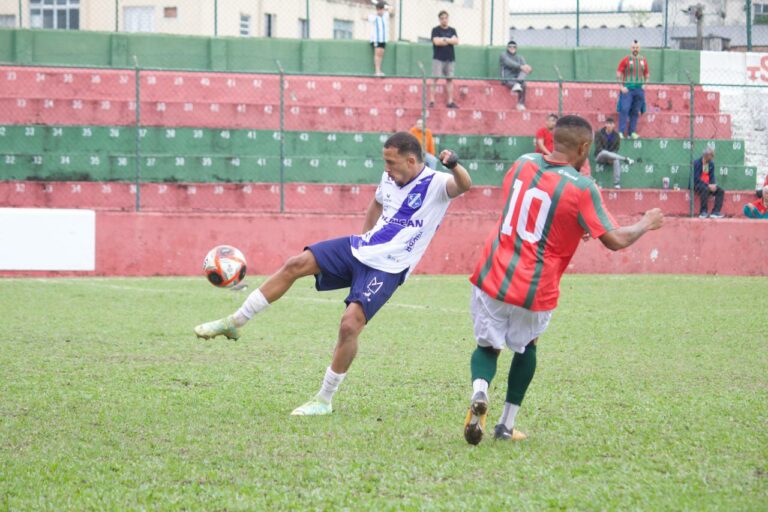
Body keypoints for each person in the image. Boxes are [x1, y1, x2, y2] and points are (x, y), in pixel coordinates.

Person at [194, 132, 472, 416]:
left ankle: (324, 400)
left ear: (411, 160)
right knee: (296, 264)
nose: (386, 168)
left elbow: (464, 184)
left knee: (350, 325)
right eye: (384, 161)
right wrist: (364, 237)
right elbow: (377, 203)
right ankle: (235, 321)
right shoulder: (389, 177)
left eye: (391, 162)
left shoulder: (436, 185)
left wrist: (454, 164)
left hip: (389, 267)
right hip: (360, 249)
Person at [462, 115, 664, 445]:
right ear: (584, 147)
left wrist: (574, 225)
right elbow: (614, 239)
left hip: (493, 273)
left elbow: (526, 207)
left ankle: (480, 391)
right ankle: (505, 425)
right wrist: (646, 222)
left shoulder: (522, 162)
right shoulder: (582, 186)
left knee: (487, 345)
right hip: (535, 285)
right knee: (527, 346)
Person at [616, 40, 649, 140]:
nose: (635, 49)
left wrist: (645, 85)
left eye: (637, 47)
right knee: (624, 109)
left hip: (639, 89)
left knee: (635, 111)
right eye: (633, 47)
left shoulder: (643, 60)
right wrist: (621, 87)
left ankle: (632, 133)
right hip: (628, 89)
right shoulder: (626, 59)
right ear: (631, 48)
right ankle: (621, 132)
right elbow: (618, 74)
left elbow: (647, 75)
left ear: (639, 48)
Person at [429, 11, 459, 109]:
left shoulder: (453, 30)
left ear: (448, 18)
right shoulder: (435, 30)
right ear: (439, 19)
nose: (444, 20)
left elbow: (456, 41)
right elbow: (436, 42)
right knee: (435, 78)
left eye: (446, 18)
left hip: (450, 58)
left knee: (449, 79)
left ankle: (450, 102)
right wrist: (449, 40)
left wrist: (444, 39)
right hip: (438, 58)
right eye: (442, 18)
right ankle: (432, 101)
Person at [594, 117, 634, 189]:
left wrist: (611, 157)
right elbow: (598, 148)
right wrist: (609, 155)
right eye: (608, 124)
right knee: (603, 152)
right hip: (600, 156)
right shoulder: (599, 133)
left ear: (614, 125)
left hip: (610, 158)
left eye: (611, 124)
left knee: (616, 160)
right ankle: (625, 159)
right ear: (605, 125)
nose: (609, 125)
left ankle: (616, 183)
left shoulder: (616, 136)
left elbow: (616, 149)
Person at [499, 40, 533, 111]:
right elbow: (509, 63)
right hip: (507, 79)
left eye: (514, 47)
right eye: (510, 47)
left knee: (523, 84)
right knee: (521, 82)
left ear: (516, 48)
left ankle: (520, 104)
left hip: (517, 79)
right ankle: (518, 83)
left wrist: (529, 68)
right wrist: (521, 67)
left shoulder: (520, 57)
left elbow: (525, 67)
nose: (512, 48)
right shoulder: (503, 55)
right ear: (507, 48)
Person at [693, 147, 724, 219]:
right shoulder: (697, 163)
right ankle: (703, 212)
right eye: (710, 157)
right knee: (705, 189)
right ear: (705, 156)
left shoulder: (711, 164)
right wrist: (708, 185)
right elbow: (696, 179)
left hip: (708, 185)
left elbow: (712, 176)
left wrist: (713, 184)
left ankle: (715, 212)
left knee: (720, 191)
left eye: (712, 157)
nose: (711, 159)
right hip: (697, 184)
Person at [368, 2, 389, 77]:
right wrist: (376, 12)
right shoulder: (373, 17)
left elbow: (391, 9)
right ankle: (377, 71)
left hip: (383, 39)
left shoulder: (386, 16)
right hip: (376, 39)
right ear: (377, 10)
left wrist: (385, 5)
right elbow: (368, 18)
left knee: (381, 54)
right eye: (379, 10)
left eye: (382, 9)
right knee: (377, 54)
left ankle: (379, 70)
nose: (380, 11)